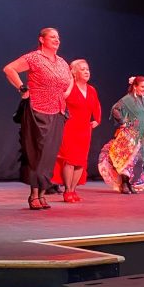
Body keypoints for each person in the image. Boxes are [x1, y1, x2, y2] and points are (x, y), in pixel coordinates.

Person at [3, 27, 73, 210]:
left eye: (58, 37)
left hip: (58, 111)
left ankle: (42, 193)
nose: (57, 40)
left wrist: (65, 93)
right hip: (38, 110)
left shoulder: (62, 62)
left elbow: (70, 79)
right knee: (37, 152)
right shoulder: (34, 58)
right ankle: (34, 194)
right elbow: (9, 69)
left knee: (50, 154)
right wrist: (22, 89)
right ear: (42, 39)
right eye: (52, 37)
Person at [52, 59, 101, 203]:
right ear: (74, 72)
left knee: (80, 161)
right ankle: (67, 190)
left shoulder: (92, 90)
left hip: (85, 129)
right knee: (70, 160)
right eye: (83, 69)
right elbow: (59, 101)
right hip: (70, 127)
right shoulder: (69, 87)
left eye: (88, 69)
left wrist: (97, 120)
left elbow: (96, 106)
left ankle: (73, 190)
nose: (86, 72)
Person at [98, 75, 144, 194]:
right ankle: (124, 184)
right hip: (129, 134)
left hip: (139, 135)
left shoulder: (143, 100)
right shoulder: (128, 99)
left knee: (135, 160)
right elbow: (115, 109)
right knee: (126, 159)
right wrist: (123, 122)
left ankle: (130, 183)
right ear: (135, 87)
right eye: (142, 87)